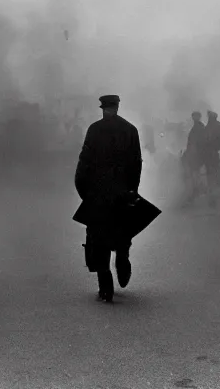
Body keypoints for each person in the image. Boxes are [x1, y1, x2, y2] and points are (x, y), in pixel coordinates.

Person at [73, 95, 142, 303]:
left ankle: (105, 285)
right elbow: (136, 164)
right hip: (122, 192)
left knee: (98, 237)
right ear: (117, 107)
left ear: (103, 108)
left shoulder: (94, 130)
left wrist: (85, 193)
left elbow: (84, 163)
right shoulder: (131, 130)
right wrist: (132, 190)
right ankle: (122, 259)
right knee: (122, 232)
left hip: (99, 193)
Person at [182, 111, 206, 201]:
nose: (194, 118)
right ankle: (196, 190)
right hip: (193, 153)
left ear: (198, 117)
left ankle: (197, 191)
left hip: (197, 153)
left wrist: (194, 150)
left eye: (195, 116)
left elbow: (200, 141)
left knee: (194, 172)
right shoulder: (196, 127)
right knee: (193, 172)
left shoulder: (199, 127)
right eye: (193, 116)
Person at [203, 111, 220, 192]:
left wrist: (213, 147)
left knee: (214, 169)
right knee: (214, 169)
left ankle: (216, 186)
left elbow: (218, 139)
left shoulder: (214, 126)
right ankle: (216, 186)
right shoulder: (212, 126)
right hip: (211, 151)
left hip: (211, 151)